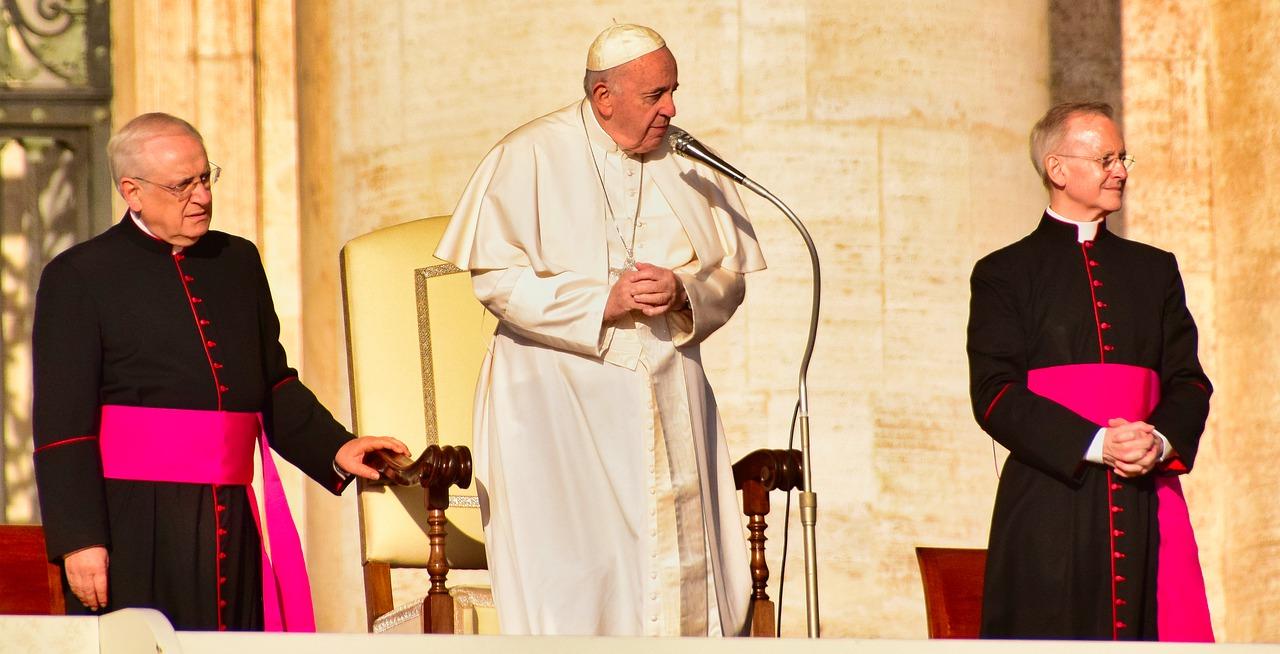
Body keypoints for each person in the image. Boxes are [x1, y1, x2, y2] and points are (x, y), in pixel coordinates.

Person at [435, 24, 765, 636]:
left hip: (669, 393)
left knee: (673, 576)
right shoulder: (529, 154)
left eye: (672, 92)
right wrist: (599, 302)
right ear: (604, 97)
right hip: (556, 408)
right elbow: (496, 283)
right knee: (581, 583)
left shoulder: (686, 163)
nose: (671, 108)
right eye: (654, 95)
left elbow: (731, 276)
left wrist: (684, 291)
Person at [31, 113, 408, 632]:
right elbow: (62, 426)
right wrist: (80, 539)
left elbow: (271, 382)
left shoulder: (238, 260)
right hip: (133, 525)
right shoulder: (77, 276)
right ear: (131, 192)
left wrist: (337, 447)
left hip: (230, 518)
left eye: (205, 177)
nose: (202, 196)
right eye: (181, 185)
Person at [967, 102, 1213, 641]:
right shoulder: (1003, 273)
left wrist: (1160, 439)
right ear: (1058, 169)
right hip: (1049, 499)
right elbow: (993, 394)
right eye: (1106, 158)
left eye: (1123, 157)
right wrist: (1097, 442)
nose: (1120, 170)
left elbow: (1189, 380)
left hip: (1147, 497)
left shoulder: (1154, 269)